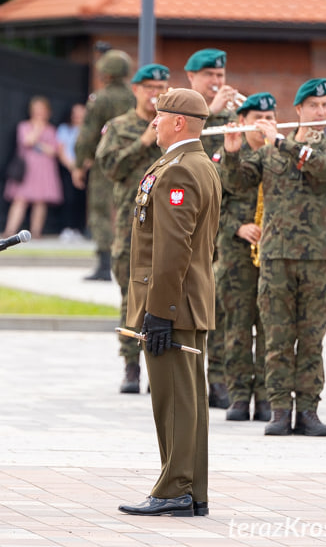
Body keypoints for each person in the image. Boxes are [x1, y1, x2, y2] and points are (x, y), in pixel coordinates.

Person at [220, 78, 326, 437]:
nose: (321, 112)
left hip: (318, 261)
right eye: (314, 106)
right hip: (276, 258)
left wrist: (282, 142)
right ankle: (278, 408)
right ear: (299, 111)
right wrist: (232, 152)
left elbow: (325, 169)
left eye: (325, 106)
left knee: (311, 339)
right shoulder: (268, 153)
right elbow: (237, 184)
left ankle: (308, 409)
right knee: (277, 338)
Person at [118, 88, 220, 517]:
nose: (153, 123)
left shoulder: (179, 171)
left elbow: (172, 249)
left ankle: (173, 489)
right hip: (186, 301)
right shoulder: (200, 165)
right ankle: (190, 490)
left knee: (174, 400)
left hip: (172, 304)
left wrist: (159, 312)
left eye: (160, 117)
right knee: (188, 400)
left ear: (179, 122)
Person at [94, 63, 169, 394]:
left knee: (165, 300)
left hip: (167, 227)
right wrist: (143, 141)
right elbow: (109, 167)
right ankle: (130, 366)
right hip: (130, 227)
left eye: (162, 87)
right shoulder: (119, 126)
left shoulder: (176, 127)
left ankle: (159, 368)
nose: (155, 93)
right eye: (150, 87)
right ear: (136, 90)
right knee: (130, 299)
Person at [216, 93, 275, 422]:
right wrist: (237, 227)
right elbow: (209, 209)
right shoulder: (228, 156)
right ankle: (238, 396)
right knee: (237, 328)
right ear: (243, 121)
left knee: (269, 329)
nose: (264, 123)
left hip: (272, 254)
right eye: (258, 117)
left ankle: (266, 396)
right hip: (237, 256)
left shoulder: (279, 153)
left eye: (270, 116)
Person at [185, 48, 237, 409]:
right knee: (184, 306)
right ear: (191, 77)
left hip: (224, 226)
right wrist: (211, 111)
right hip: (186, 223)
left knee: (220, 306)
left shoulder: (235, 112)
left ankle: (218, 379)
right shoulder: (177, 106)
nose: (217, 82)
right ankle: (181, 377)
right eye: (209, 77)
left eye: (220, 76)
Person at [74, 50, 135, 281]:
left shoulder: (99, 99)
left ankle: (103, 264)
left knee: (100, 210)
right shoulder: (134, 97)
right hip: (132, 161)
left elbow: (88, 134)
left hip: (105, 162)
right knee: (128, 209)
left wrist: (80, 164)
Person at [2, 96, 63, 238]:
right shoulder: (24, 126)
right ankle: (9, 231)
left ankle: (36, 232)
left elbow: (54, 150)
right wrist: (38, 129)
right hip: (27, 168)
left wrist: (39, 144)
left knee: (40, 201)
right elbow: (27, 142)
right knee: (20, 199)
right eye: (36, 110)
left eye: (42, 110)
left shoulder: (52, 129)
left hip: (44, 169)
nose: (39, 113)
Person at [56, 103, 87, 239]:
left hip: (85, 170)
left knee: (82, 199)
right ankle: (67, 228)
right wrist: (74, 168)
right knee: (68, 199)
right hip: (68, 168)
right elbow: (61, 150)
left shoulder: (89, 131)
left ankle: (79, 229)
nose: (78, 116)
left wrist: (82, 167)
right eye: (76, 113)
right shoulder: (64, 129)